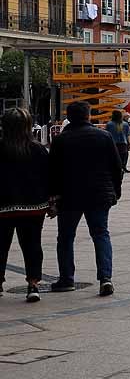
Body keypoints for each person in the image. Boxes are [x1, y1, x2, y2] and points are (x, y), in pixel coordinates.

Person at [48, 101, 123, 294]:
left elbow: (53, 172)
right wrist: (116, 191)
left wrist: (53, 198)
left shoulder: (60, 140)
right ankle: (105, 278)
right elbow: (117, 167)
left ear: (69, 118)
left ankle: (66, 278)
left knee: (65, 237)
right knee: (100, 234)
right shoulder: (104, 136)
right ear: (88, 116)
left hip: (69, 196)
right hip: (99, 195)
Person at [0, 108, 49, 302]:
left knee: (1, 246)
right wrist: (52, 201)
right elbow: (48, 177)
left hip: (3, 207)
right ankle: (33, 283)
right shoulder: (37, 149)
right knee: (32, 245)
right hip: (33, 207)